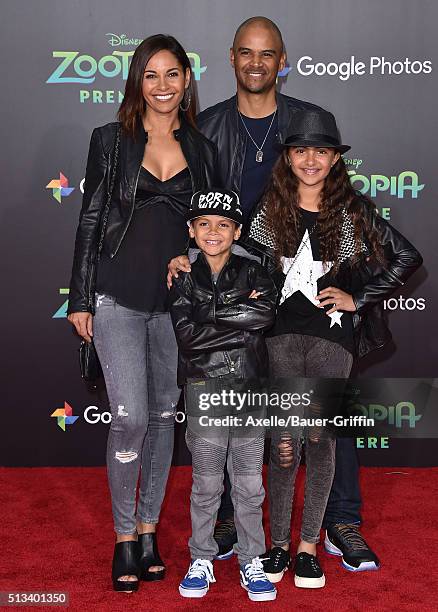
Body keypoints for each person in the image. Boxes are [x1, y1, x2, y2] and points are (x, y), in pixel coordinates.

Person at [168, 16, 382, 571]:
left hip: (306, 296)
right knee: (244, 409)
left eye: (267, 54)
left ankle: (341, 519)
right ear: (232, 58)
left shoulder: (305, 123)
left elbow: (343, 205)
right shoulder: (207, 125)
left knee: (328, 412)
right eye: (246, 53)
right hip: (237, 288)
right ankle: (230, 523)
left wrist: (355, 289)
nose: (256, 63)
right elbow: (189, 205)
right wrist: (189, 256)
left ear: (282, 60)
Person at [244, 107, 422, 587]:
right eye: (301, 150)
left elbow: (407, 256)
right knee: (283, 445)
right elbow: (240, 258)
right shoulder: (270, 207)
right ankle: (277, 544)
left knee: (320, 441)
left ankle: (307, 545)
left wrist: (359, 297)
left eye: (321, 152)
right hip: (279, 338)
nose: (310, 160)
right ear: (288, 156)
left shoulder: (353, 210)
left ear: (335, 159)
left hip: (333, 338)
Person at [67, 34, 218, 592]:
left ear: (186, 79)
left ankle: (150, 530)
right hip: (116, 299)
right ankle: (124, 536)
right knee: (130, 417)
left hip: (173, 307)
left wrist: (196, 252)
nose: (161, 85)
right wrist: (80, 297)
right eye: (150, 74)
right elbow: (89, 220)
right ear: (137, 81)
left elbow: (215, 226)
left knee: (161, 417)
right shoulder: (109, 141)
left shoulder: (202, 150)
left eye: (171, 74)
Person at [169, 189, 278, 601]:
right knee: (207, 483)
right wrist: (236, 314)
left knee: (249, 485)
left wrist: (208, 311)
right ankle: (202, 556)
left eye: (223, 224)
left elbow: (264, 315)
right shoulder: (180, 275)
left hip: (249, 389)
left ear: (237, 230)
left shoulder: (256, 271)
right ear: (191, 229)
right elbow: (187, 337)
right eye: (204, 224)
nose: (213, 232)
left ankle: (252, 559)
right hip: (205, 389)